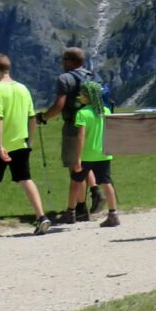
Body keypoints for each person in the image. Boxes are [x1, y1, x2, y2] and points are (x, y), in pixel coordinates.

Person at [0, 53, 52, 235]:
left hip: (2, 143)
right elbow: (32, 118)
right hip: (21, 141)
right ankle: (41, 217)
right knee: (25, 178)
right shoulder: (23, 88)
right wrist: (29, 141)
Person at [35, 47, 100, 223]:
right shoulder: (93, 76)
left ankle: (78, 210)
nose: (62, 62)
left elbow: (59, 105)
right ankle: (95, 192)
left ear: (69, 61)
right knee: (87, 161)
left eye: (63, 59)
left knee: (75, 166)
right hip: (95, 125)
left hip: (74, 126)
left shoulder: (65, 79)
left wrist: (43, 117)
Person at [73, 84, 120, 227]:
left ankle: (72, 211)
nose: (79, 96)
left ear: (88, 96)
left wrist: (77, 157)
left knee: (76, 181)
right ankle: (113, 213)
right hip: (104, 153)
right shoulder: (105, 110)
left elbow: (81, 136)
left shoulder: (82, 113)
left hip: (87, 154)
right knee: (106, 183)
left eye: (81, 94)